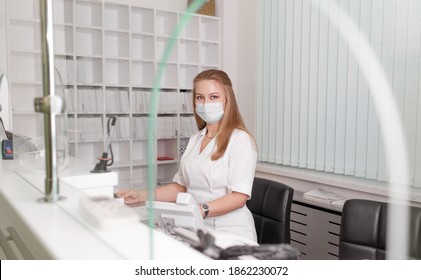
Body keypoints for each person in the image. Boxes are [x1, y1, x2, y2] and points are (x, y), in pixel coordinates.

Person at [116, 69, 258, 242]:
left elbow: (239, 198)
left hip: (229, 230)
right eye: (200, 97)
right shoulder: (195, 140)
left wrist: (199, 210)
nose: (206, 103)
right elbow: (181, 186)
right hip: (196, 226)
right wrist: (142, 195)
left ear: (227, 99)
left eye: (214, 97)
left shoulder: (240, 140)